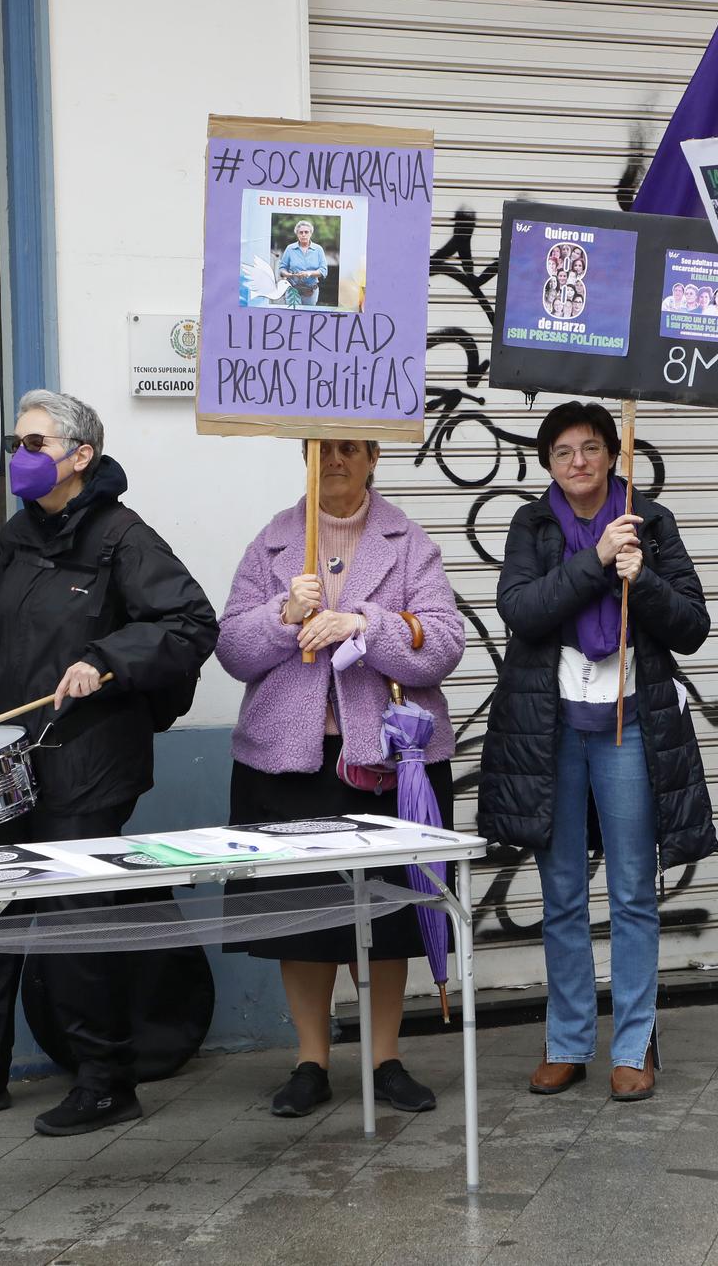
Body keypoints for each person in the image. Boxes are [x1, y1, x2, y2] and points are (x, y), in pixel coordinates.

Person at [0, 390, 217, 1137]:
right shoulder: (21, 535)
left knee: (75, 925)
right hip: (7, 760)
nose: (21, 455)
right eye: (18, 441)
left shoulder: (122, 536)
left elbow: (189, 622)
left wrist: (105, 659)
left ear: (80, 456)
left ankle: (107, 1081)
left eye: (36, 443)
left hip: (88, 760)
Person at [215, 438, 465, 1119]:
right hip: (287, 762)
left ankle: (386, 1056)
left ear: (374, 456)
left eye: (350, 450)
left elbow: (444, 643)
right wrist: (281, 616)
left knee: (387, 919)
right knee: (303, 919)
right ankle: (310, 1060)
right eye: (323, 451)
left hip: (385, 763)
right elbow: (232, 649)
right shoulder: (273, 543)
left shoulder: (408, 542)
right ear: (305, 456)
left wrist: (366, 623)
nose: (336, 462)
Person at [479, 402, 714, 1102]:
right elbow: (521, 609)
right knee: (561, 893)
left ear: (613, 454)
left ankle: (635, 1043)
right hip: (550, 728)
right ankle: (568, 1040)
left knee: (635, 891)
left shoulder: (653, 520)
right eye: (562, 451)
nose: (577, 462)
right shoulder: (534, 523)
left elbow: (693, 624)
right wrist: (597, 561)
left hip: (629, 724)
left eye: (590, 448)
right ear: (547, 462)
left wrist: (641, 580)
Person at [277, 220, 327, 306]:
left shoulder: (318, 249)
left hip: (311, 291)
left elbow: (323, 271)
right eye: (301, 232)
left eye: (306, 232)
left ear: (311, 233)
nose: (303, 234)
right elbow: (282, 268)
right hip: (292, 289)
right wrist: (288, 274)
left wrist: (309, 273)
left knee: (307, 317)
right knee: (292, 315)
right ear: (297, 234)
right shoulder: (290, 248)